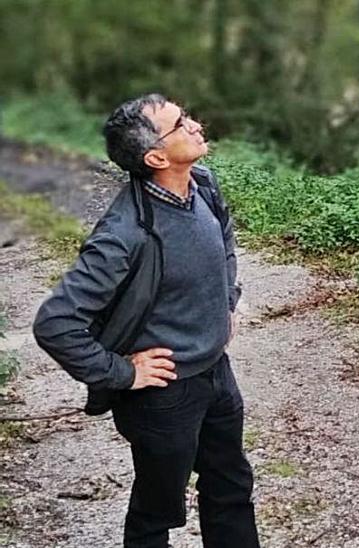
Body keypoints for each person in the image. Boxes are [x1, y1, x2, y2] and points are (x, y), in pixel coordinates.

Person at [32, 94, 259, 547]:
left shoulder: (204, 185)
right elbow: (55, 323)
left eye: (188, 115)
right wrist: (122, 372)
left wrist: (227, 304)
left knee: (231, 487)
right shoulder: (125, 233)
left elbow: (226, 246)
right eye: (180, 124)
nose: (195, 125)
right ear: (156, 157)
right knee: (157, 512)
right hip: (163, 396)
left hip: (216, 374)